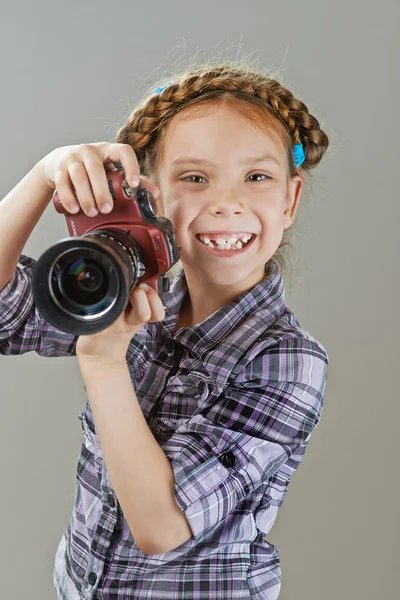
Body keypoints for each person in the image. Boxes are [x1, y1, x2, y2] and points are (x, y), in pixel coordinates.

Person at [0, 62, 330, 599]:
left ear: (289, 200)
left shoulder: (287, 361)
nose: (227, 203)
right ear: (154, 199)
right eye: (195, 178)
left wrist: (105, 362)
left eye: (257, 176)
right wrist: (43, 175)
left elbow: (162, 527)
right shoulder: (128, 295)